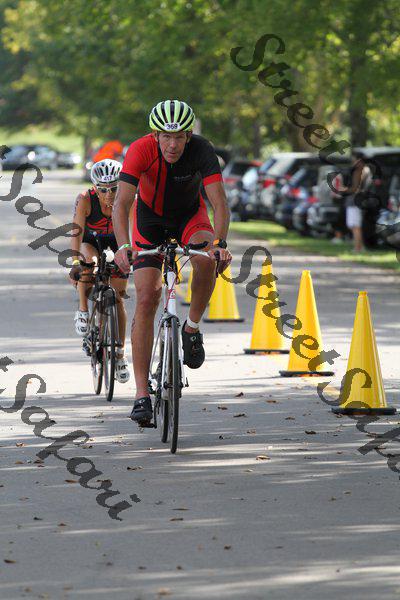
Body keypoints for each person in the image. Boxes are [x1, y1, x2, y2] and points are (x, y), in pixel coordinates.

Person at [113, 99, 232, 425]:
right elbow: (122, 203)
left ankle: (191, 328)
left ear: (188, 136)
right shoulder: (140, 150)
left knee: (206, 260)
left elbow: (219, 203)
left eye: (179, 137)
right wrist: (123, 246)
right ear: (155, 135)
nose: (172, 144)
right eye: (166, 136)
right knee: (147, 298)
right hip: (149, 221)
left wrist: (220, 245)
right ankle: (141, 394)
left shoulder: (202, 150)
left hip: (189, 217)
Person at [69, 159, 130, 383]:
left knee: (119, 298)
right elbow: (76, 232)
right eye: (103, 189)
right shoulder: (85, 199)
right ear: (95, 188)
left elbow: (135, 230)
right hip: (90, 241)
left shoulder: (128, 199)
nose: (109, 194)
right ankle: (83, 311)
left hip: (117, 242)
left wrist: (133, 255)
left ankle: (120, 354)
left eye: (114, 188)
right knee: (90, 263)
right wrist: (75, 262)